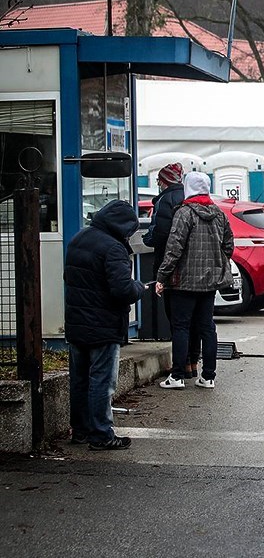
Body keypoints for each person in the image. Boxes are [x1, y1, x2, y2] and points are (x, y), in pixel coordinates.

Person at [65, 200, 147, 450]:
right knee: (102, 381)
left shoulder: (79, 238)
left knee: (79, 380)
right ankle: (101, 435)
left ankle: (80, 431)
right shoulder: (113, 248)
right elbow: (122, 289)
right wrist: (140, 287)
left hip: (77, 322)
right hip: (103, 324)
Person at [157, 172, 235, 390]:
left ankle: (178, 376)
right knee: (207, 328)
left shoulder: (184, 213)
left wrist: (162, 276)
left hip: (184, 282)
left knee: (181, 327)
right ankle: (208, 376)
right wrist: (217, 262)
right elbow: (229, 245)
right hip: (210, 282)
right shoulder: (219, 214)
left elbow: (174, 249)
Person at [142, 162, 201, 376]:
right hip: (196, 269)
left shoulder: (165, 200)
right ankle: (193, 363)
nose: (158, 183)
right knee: (196, 321)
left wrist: (147, 239)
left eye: (159, 180)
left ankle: (181, 366)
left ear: (164, 181)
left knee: (178, 321)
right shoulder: (188, 198)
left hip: (172, 268)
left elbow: (161, 234)